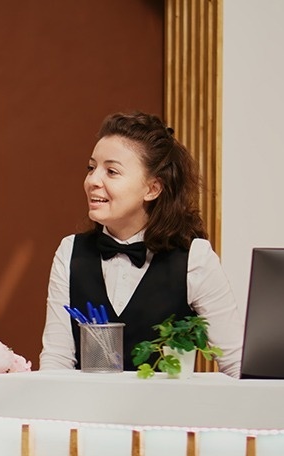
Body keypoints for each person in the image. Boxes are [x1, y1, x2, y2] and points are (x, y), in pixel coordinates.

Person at [39, 112, 243, 377]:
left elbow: (236, 364)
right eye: (91, 168)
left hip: (167, 416)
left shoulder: (195, 258)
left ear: (152, 188)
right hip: (90, 415)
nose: (92, 181)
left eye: (111, 171)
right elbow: (56, 360)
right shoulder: (70, 252)